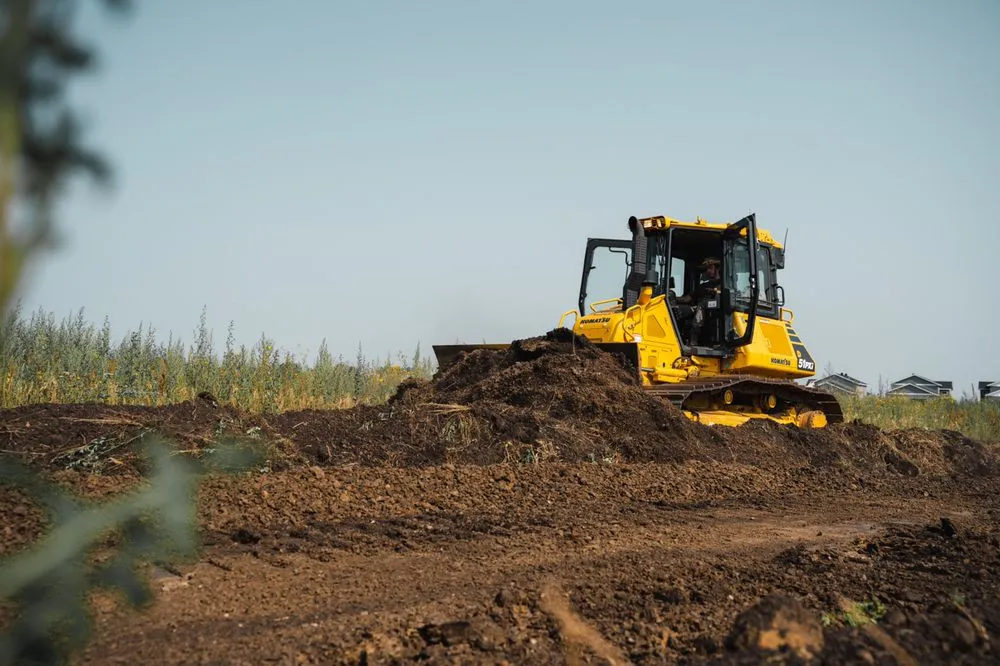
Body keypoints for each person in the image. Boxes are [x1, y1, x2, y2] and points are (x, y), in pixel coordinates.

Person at [674, 257, 721, 346]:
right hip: (697, 309)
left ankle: (694, 341)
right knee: (677, 310)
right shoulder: (703, 286)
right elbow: (688, 298)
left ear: (717, 268)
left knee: (702, 305)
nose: (708, 271)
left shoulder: (723, 285)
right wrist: (673, 298)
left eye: (710, 268)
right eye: (707, 269)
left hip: (712, 313)